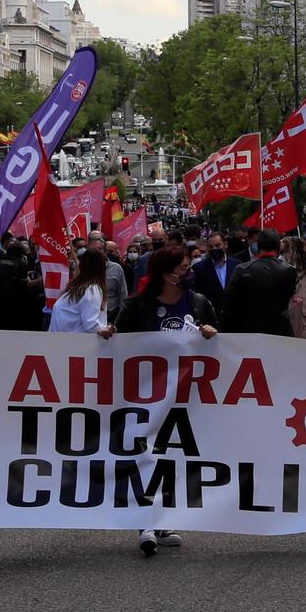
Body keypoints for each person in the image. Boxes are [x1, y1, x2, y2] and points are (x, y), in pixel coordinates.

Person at [103, 246, 218, 557]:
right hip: (143, 395)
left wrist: (211, 333)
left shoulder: (198, 303)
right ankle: (146, 522)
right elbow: (116, 342)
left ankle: (165, 519)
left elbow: (222, 344)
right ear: (167, 274)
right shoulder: (137, 306)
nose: (189, 272)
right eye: (184, 268)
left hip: (186, 397)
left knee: (172, 458)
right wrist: (107, 335)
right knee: (144, 456)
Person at [225, 229, 297, 336]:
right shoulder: (289, 271)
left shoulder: (242, 270)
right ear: (278, 247)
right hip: (280, 333)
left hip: (249, 333)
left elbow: (229, 305)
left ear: (258, 246)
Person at [50, 249, 112, 334]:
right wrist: (107, 329)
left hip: (61, 340)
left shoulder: (75, 288)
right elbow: (91, 325)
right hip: (74, 343)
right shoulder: (92, 290)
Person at [191, 235, 235, 314]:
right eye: (211, 247)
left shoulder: (237, 265)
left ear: (225, 244)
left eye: (217, 245)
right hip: (212, 316)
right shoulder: (199, 268)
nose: (214, 249)